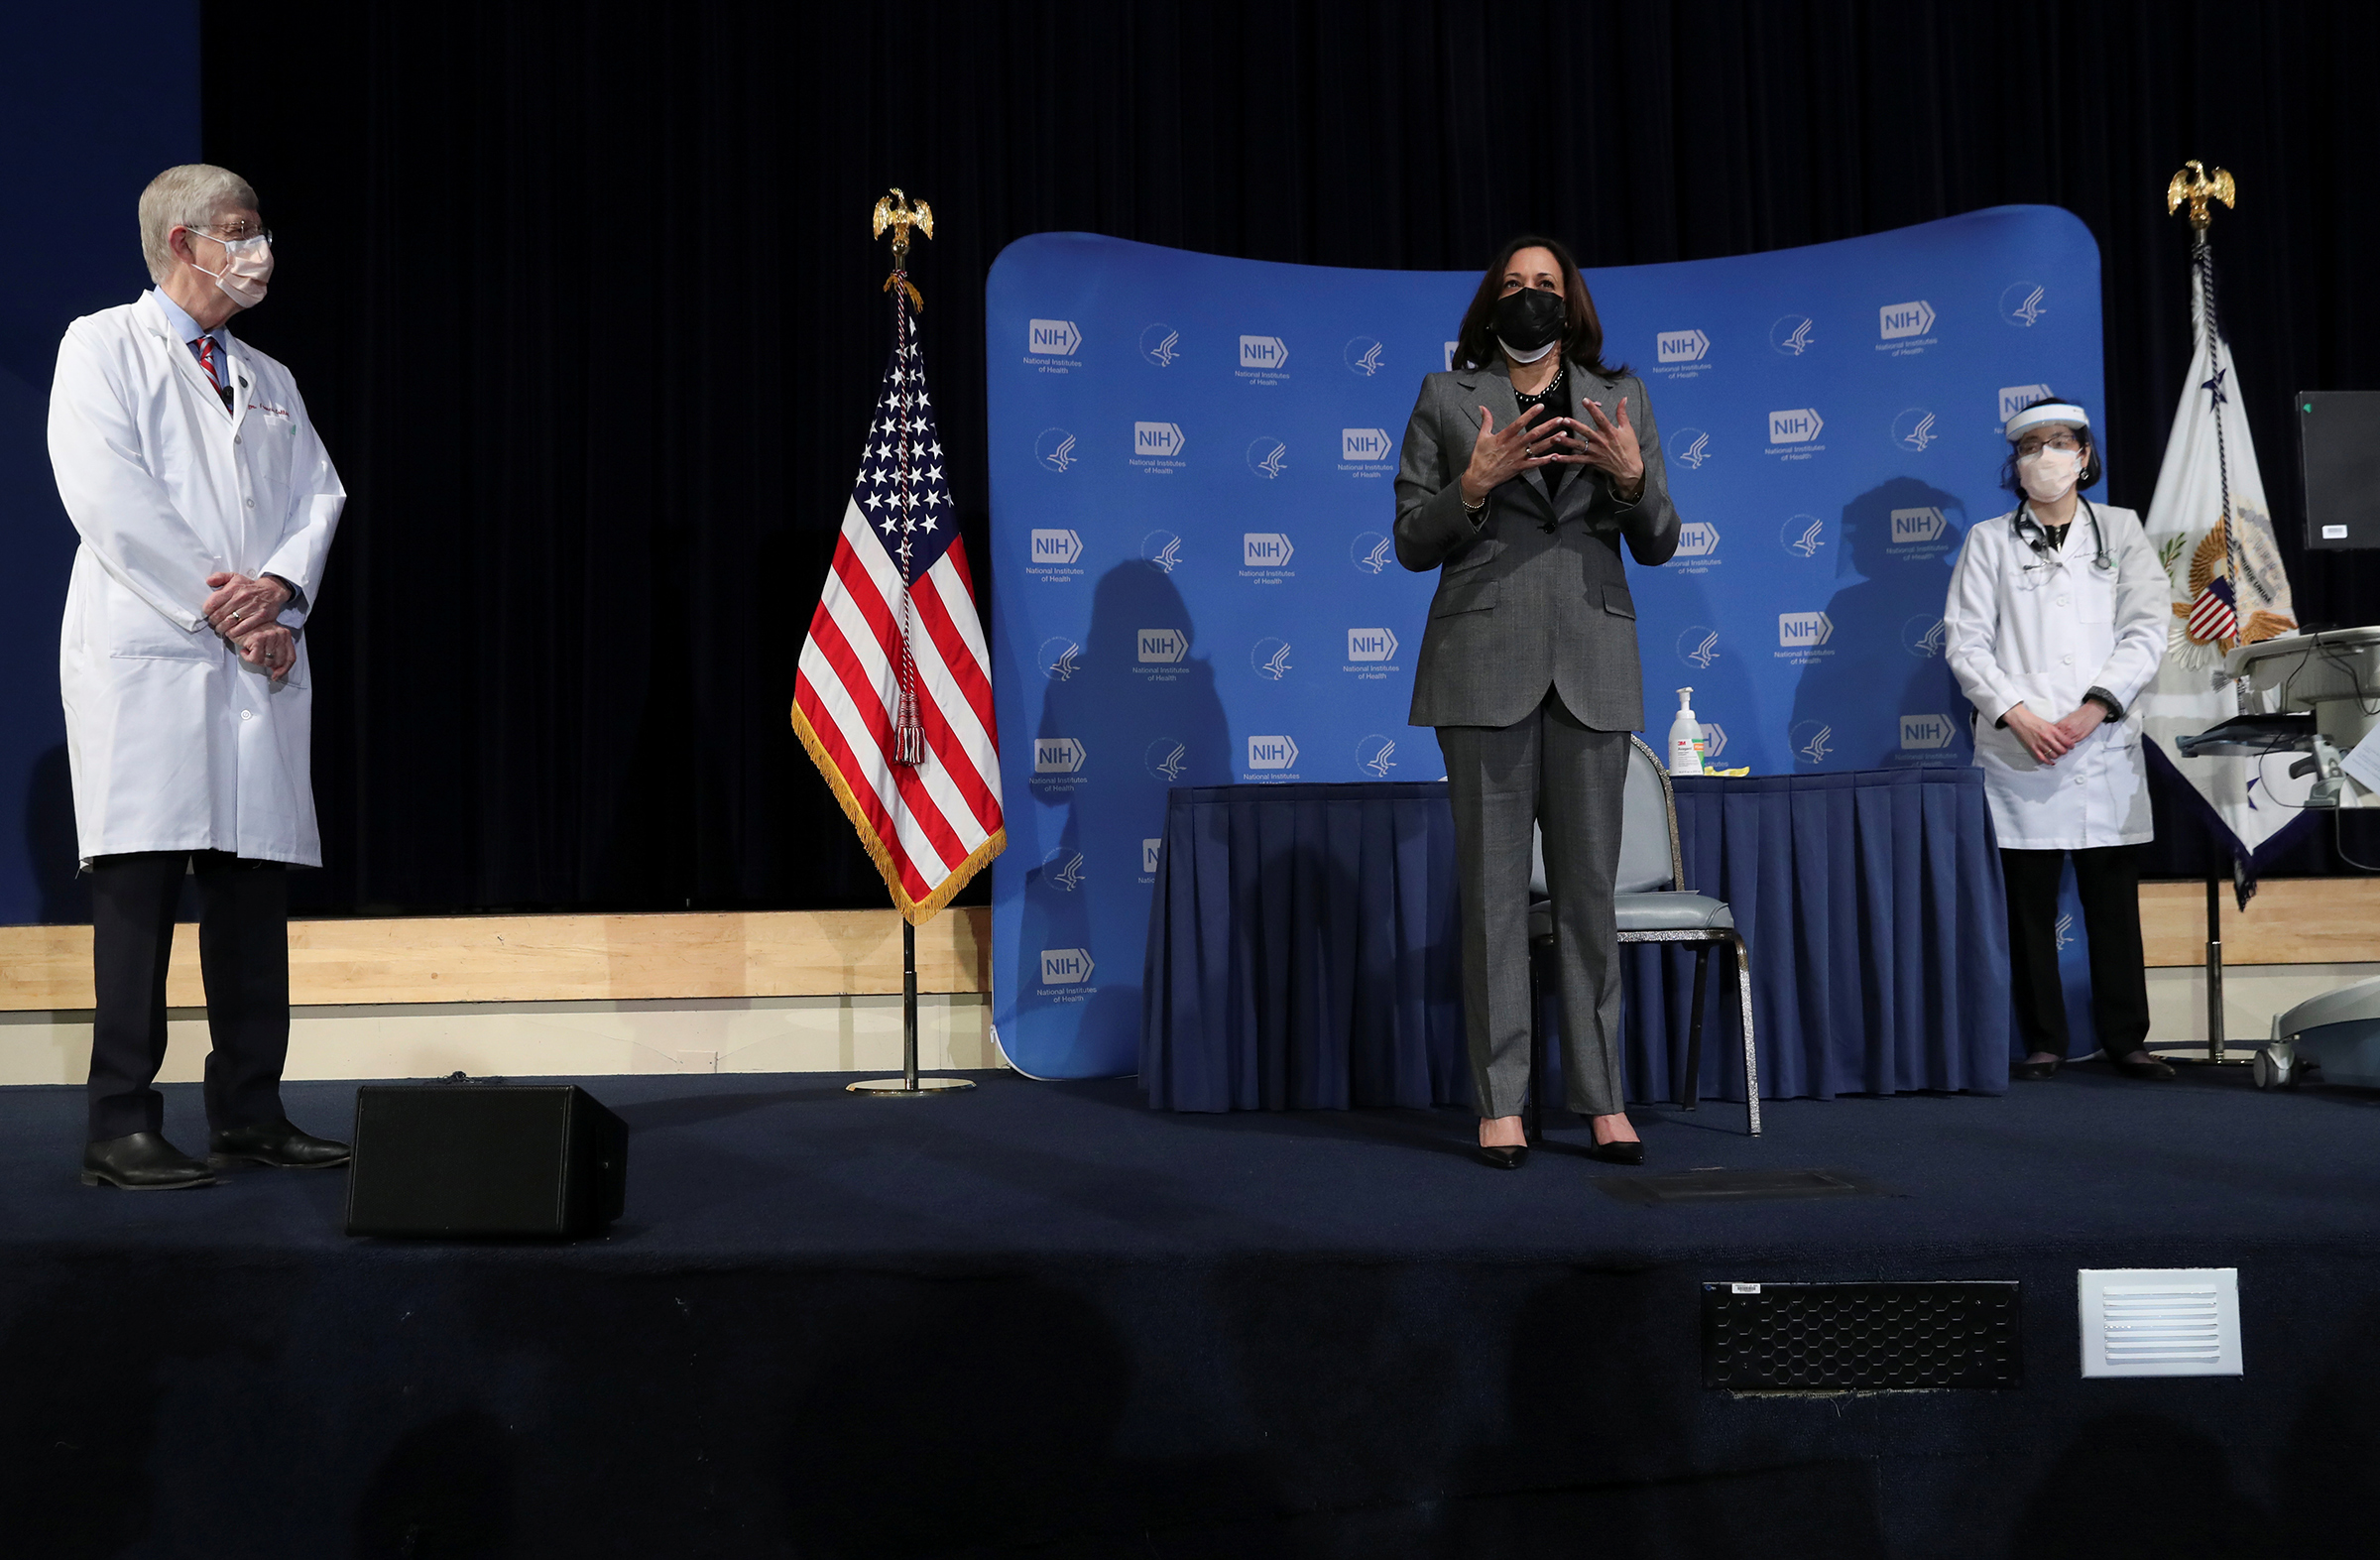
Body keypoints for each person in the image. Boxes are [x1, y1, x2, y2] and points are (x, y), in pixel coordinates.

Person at [48, 165, 351, 1189]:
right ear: (184, 242)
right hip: (155, 653)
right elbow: (108, 494)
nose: (259, 245)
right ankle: (120, 1119)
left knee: (248, 893)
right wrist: (225, 605)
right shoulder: (101, 346)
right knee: (138, 890)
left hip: (252, 662)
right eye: (241, 228)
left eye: (257, 227)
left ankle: (251, 1109)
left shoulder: (268, 378)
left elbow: (317, 493)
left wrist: (280, 590)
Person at [1392, 236, 1680, 1169]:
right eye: (1513, 286)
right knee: (1493, 901)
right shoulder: (1448, 399)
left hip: (1591, 662)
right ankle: (1501, 1101)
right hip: (1483, 662)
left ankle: (1603, 1099)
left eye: (1544, 286)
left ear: (1571, 302)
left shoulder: (1621, 396)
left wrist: (1632, 482)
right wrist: (1471, 491)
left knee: (1590, 898)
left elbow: (1663, 538)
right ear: (1490, 303)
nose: (1529, 297)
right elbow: (1407, 537)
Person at [1943, 397, 2173, 1082]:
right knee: (2029, 904)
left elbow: (2147, 628)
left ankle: (2127, 1038)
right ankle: (2044, 1038)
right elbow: (1965, 641)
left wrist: (2094, 708)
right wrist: (2019, 714)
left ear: (2085, 455)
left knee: (2111, 901)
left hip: (2101, 742)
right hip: (2022, 747)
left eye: (2059, 442)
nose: (2045, 456)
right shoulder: (1989, 540)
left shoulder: (2122, 530)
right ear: (2015, 465)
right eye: (2030, 446)